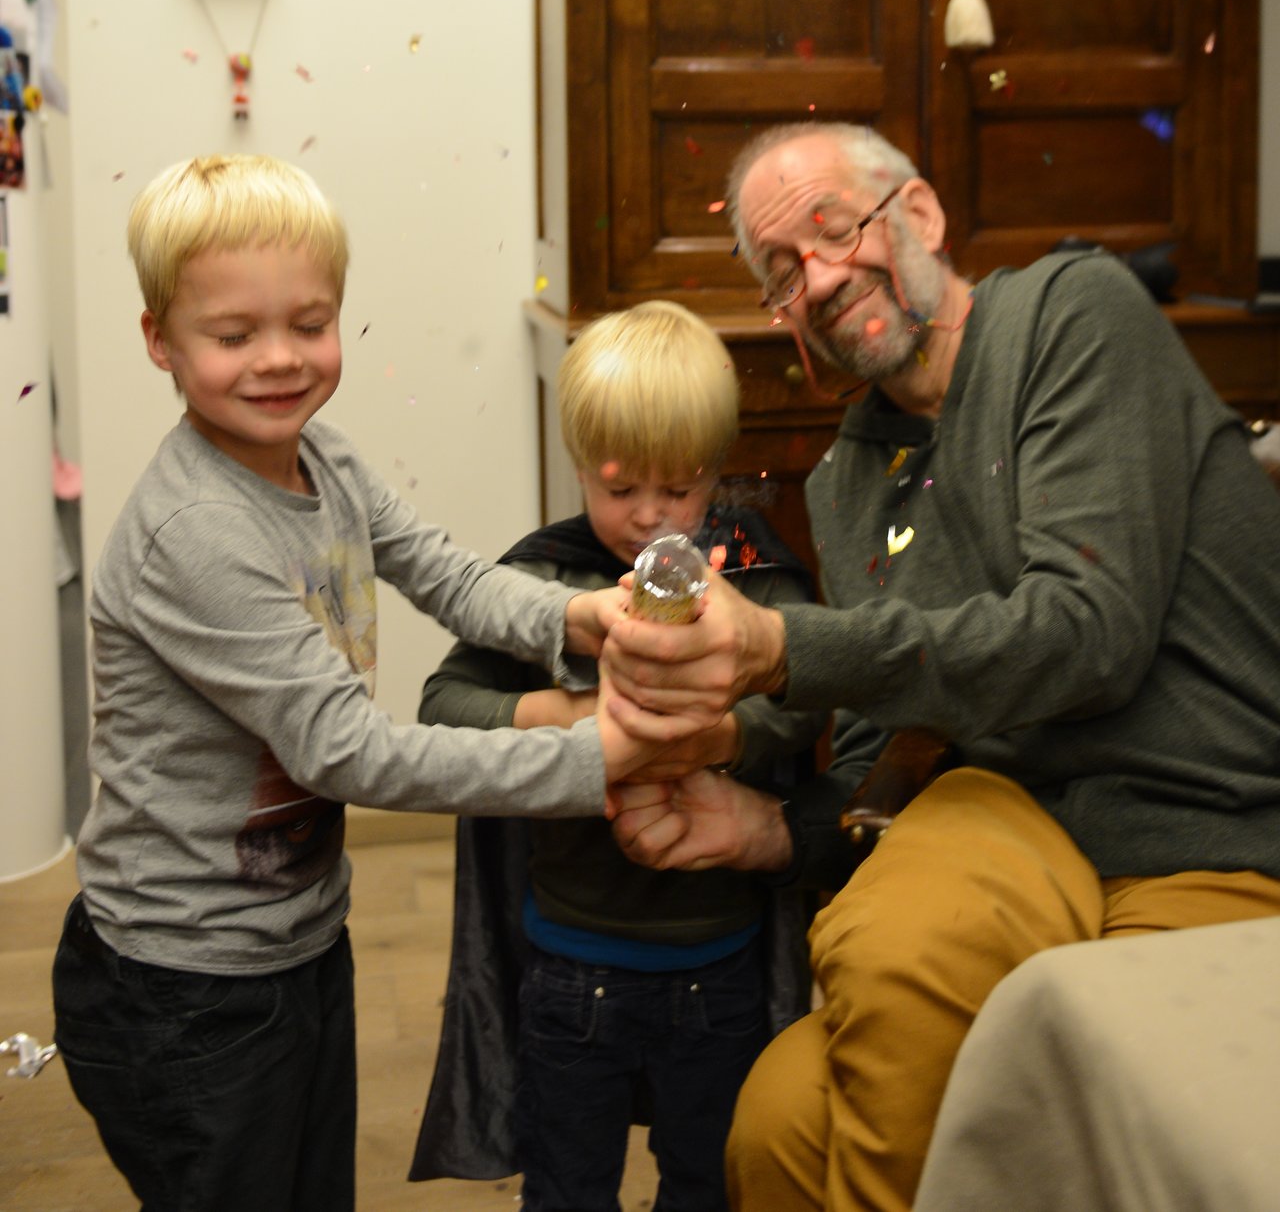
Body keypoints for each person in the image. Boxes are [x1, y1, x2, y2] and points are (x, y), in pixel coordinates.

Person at [601, 121, 1280, 1212]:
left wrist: (780, 648)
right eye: (784, 271)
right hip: (1010, 831)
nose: (820, 278)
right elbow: (886, 752)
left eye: (833, 229)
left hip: (1200, 831)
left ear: (918, 213)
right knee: (773, 1119)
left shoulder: (1069, 314)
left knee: (1088, 1087)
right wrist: (767, 828)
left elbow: (1088, 634)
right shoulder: (846, 481)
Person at [50, 153, 684, 1212]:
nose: (279, 359)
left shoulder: (326, 459)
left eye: (310, 323)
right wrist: (594, 759)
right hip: (186, 987)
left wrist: (578, 616)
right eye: (233, 335)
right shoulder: (196, 531)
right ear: (160, 339)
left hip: (296, 938)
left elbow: (445, 573)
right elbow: (350, 753)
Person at [410, 300, 826, 1212]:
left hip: (719, 961)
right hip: (571, 963)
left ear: (716, 469)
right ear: (577, 463)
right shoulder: (543, 582)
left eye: (677, 488)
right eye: (619, 486)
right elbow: (444, 707)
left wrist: (718, 731)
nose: (647, 516)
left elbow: (807, 707)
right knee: (566, 1186)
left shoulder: (754, 577)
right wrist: (582, 719)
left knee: (711, 1184)